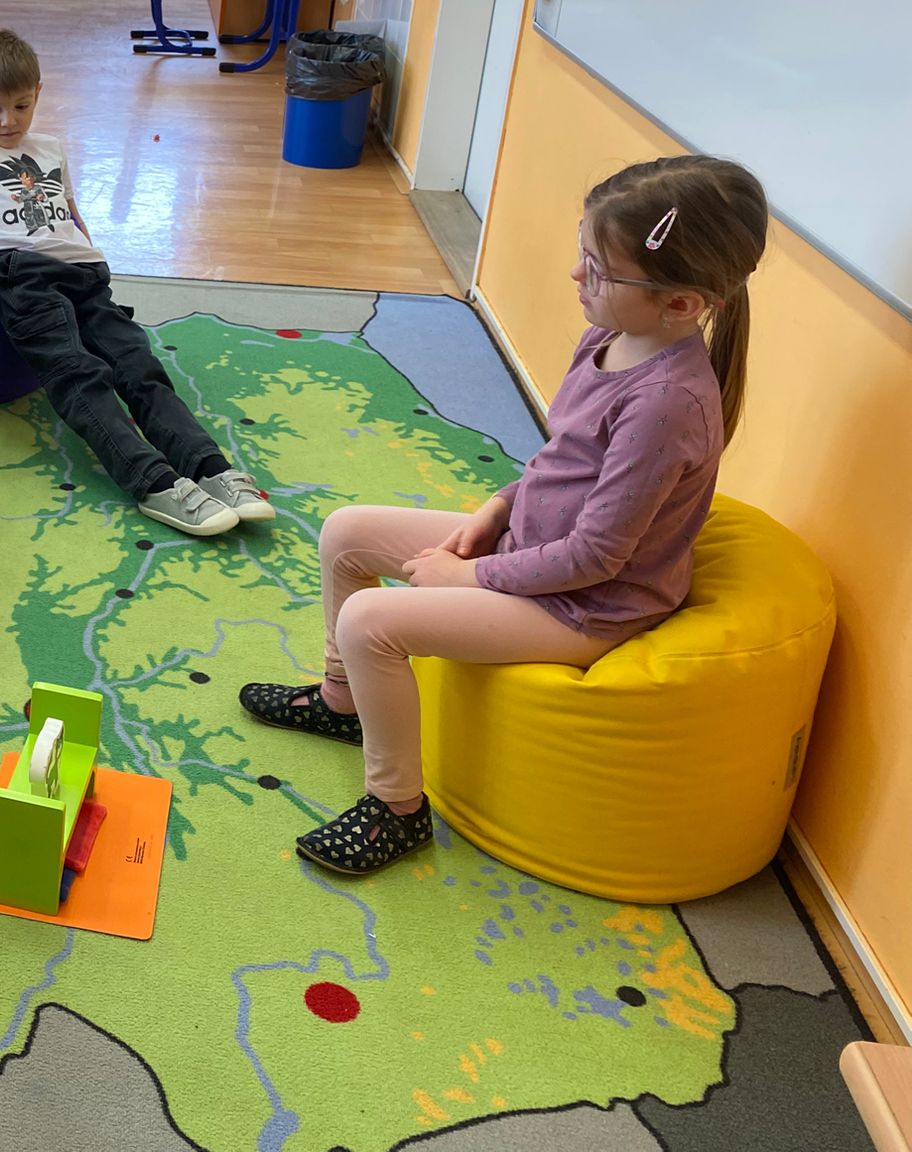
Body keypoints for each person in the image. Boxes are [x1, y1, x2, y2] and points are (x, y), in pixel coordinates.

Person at [238, 155, 769, 875]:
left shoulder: (666, 404)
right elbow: (565, 459)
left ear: (680, 304)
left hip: (588, 606)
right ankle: (343, 703)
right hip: (533, 549)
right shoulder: (608, 337)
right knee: (346, 532)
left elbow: (596, 558)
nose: (576, 275)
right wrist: (499, 505)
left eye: (599, 270)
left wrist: (470, 577)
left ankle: (397, 809)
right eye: (583, 254)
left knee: (371, 622)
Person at [0, 29, 272, 537]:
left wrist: (93, 258)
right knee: (78, 374)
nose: (8, 121)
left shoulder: (51, 148)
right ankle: (154, 483)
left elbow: (71, 214)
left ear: (39, 93)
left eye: (21, 106)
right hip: (20, 276)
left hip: (83, 274)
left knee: (139, 364)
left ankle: (210, 467)